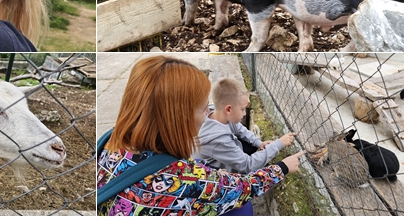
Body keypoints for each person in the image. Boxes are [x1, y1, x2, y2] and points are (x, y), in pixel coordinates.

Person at [97, 56, 305, 216]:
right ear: (178, 117)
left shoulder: (109, 140)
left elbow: (239, 130)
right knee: (242, 208)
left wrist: (259, 142)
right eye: (204, 109)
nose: (208, 114)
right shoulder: (184, 177)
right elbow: (244, 187)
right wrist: (283, 166)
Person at [191, 78, 297, 215]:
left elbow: (239, 129)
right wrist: (278, 144)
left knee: (249, 146)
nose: (245, 113)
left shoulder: (215, 112)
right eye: (242, 109)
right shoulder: (217, 138)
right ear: (228, 109)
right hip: (211, 180)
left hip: (215, 163)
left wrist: (259, 143)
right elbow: (248, 164)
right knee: (245, 208)